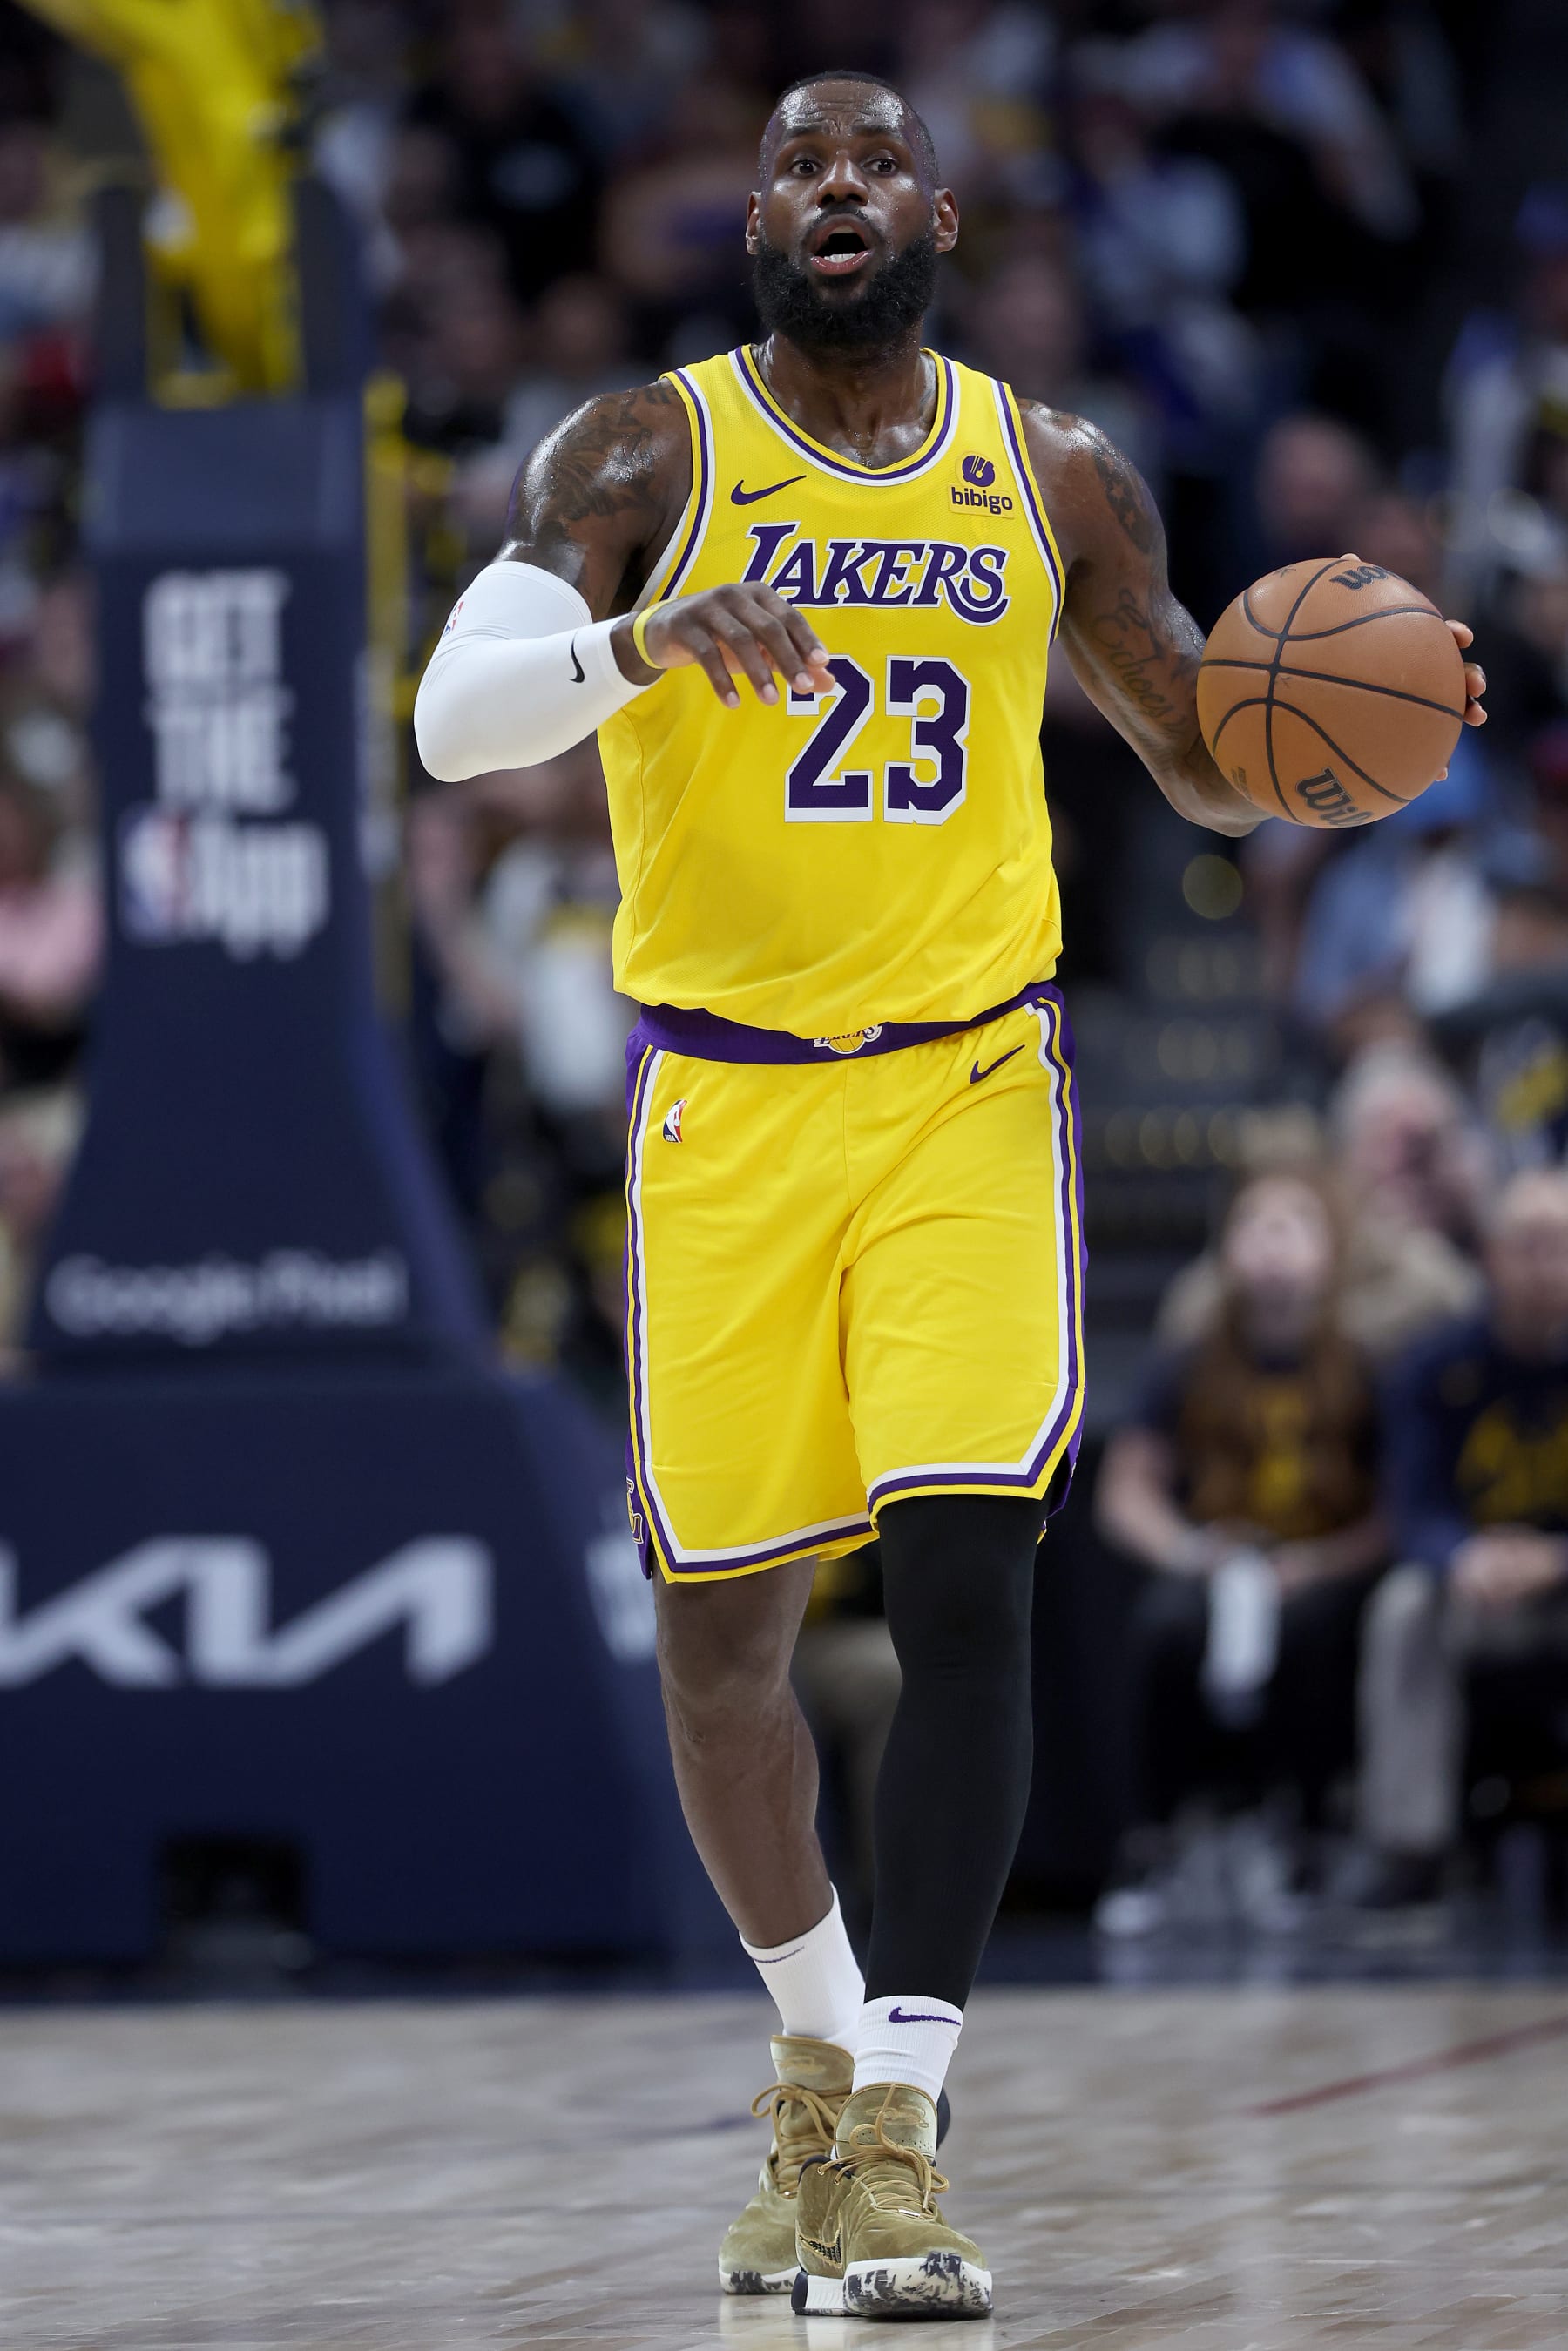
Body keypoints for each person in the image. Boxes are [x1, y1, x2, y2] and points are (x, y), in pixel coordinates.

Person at [414, 69, 1485, 2321]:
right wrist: (638, 645)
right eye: (796, 162)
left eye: (872, 160)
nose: (832, 188)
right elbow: (453, 720)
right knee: (727, 1649)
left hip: (969, 1087)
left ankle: (900, 2113)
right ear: (757, 223)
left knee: (975, 1576)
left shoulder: (1054, 471)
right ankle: (812, 2063)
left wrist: (1345, 753)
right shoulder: (647, 453)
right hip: (719, 1107)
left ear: (940, 212)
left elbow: (1202, 748)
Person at [1095, 1172, 1387, 1936]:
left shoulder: (1360, 1366)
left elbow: (1395, 1510)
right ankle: (1156, 1843)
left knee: (1321, 1633)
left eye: (1296, 1223)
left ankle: (1308, 1838)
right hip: (1219, 1559)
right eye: (1256, 1223)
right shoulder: (1188, 1361)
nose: (1274, 1242)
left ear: (1330, 1252)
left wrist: (1322, 1564)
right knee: (1164, 1630)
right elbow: (1126, 1491)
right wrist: (1192, 1552)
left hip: (1321, 1563)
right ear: (1225, 1250)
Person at [1355, 1168, 1568, 1912]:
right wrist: (1463, 1555)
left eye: (1561, 1246)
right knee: (1404, 1609)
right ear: (1491, 1256)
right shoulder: (1433, 1364)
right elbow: (1412, 1507)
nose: (1547, 1265)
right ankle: (1410, 1850)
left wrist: (1553, 1558)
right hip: (1472, 1586)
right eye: (1529, 1245)